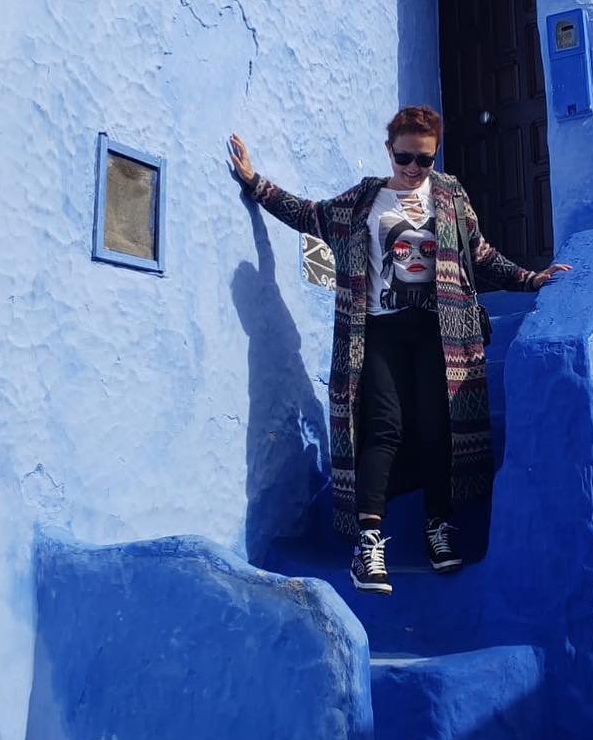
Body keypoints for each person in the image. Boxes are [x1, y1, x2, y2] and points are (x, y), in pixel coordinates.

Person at [228, 106, 570, 595]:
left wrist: (530, 279)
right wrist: (255, 183)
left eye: (423, 160)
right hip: (377, 332)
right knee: (383, 426)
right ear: (390, 150)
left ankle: (437, 527)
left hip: (440, 332)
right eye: (405, 157)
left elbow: (480, 253)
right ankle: (368, 545)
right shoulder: (365, 200)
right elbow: (308, 214)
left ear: (435, 156)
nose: (413, 169)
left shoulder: (450, 197)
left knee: (437, 430)